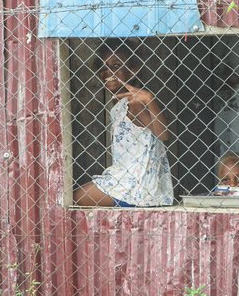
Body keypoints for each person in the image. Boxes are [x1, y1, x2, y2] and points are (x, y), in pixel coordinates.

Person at [73, 41, 174, 207]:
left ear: (133, 70)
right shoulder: (121, 104)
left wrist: (150, 100)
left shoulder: (134, 104)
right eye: (104, 67)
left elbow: (163, 134)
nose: (109, 72)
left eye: (116, 65)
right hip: (126, 176)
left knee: (77, 196)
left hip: (137, 183)